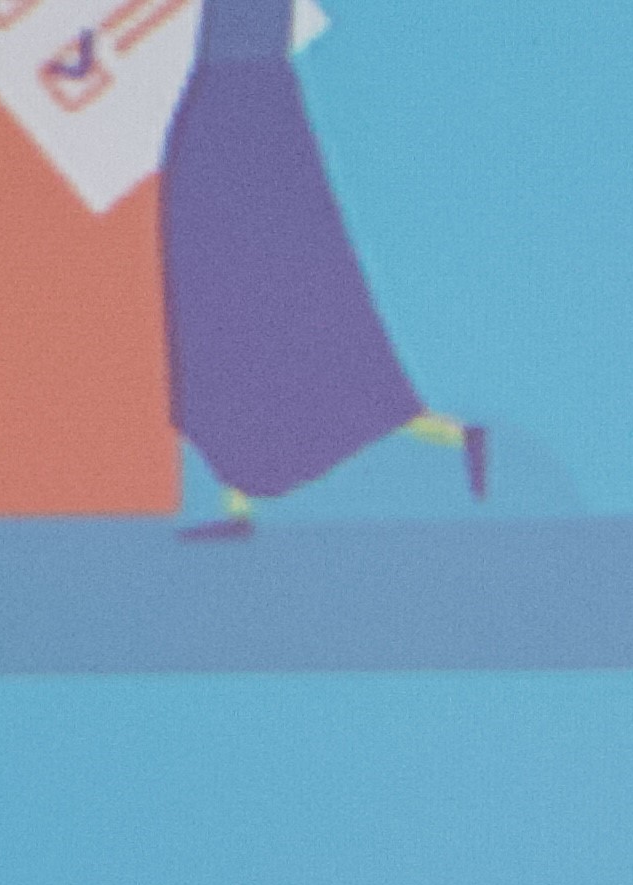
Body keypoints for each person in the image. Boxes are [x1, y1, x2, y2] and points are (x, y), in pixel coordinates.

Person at [158, 0, 487, 537]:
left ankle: (240, 497)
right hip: (237, 106)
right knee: (227, 300)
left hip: (238, 109)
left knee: (233, 295)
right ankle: (236, 499)